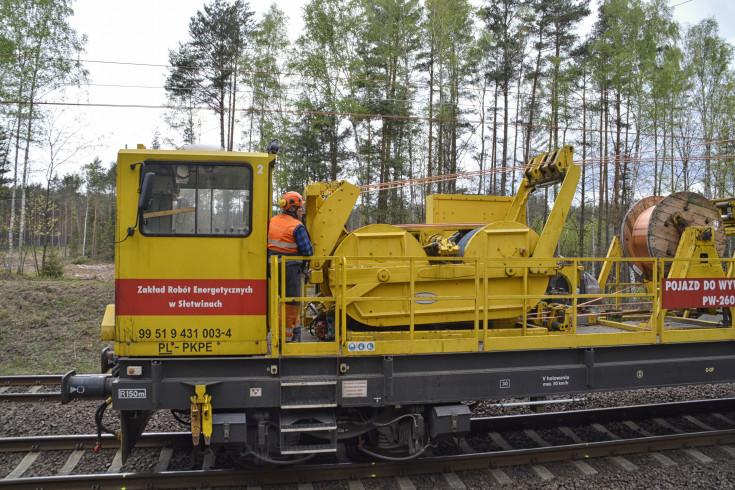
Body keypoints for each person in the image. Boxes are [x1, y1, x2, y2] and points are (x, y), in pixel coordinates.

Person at [267, 191, 313, 343]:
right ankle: (285, 341)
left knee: (284, 301)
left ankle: (295, 332)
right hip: (290, 270)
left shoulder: (273, 221)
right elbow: (308, 251)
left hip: (272, 269)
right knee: (292, 302)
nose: (302, 211)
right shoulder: (296, 226)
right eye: (300, 208)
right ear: (292, 209)